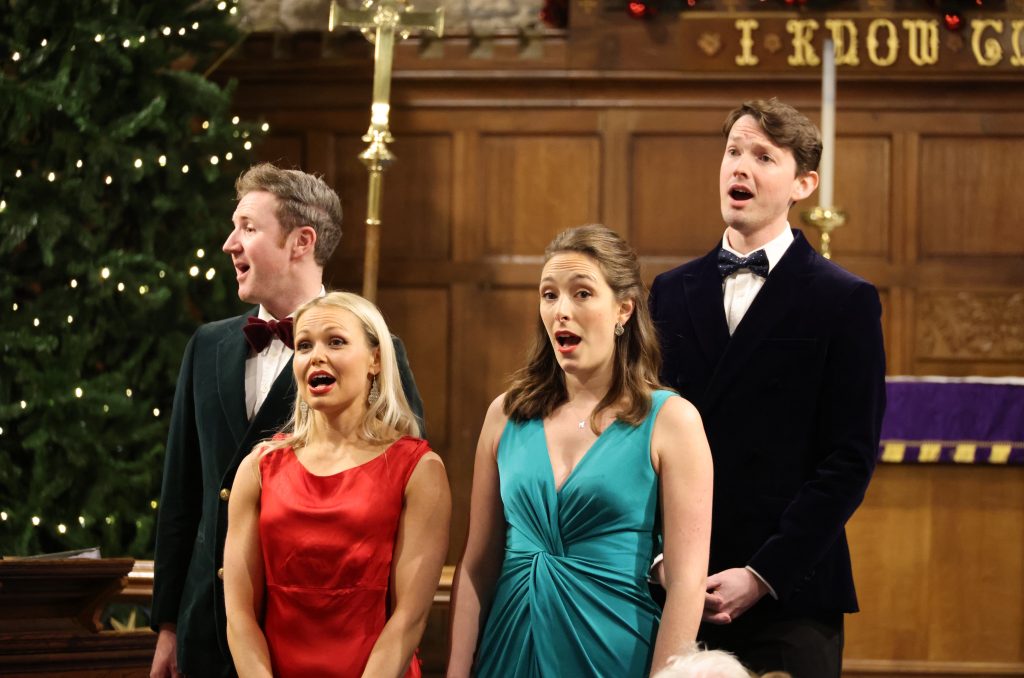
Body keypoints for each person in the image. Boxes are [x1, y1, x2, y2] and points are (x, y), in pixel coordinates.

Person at [150, 163, 425, 677]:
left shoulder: (376, 354)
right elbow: (182, 495)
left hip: (319, 639)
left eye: (248, 227)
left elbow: (397, 496)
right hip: (206, 629)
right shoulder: (207, 346)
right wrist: (168, 625)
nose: (230, 243)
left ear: (301, 241)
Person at [649, 98, 886, 677]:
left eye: (763, 156)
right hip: (677, 584)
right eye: (733, 151)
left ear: (804, 184)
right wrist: (661, 560)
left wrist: (762, 575)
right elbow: (639, 436)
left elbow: (849, 460)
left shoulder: (844, 299)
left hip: (791, 592)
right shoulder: (670, 291)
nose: (740, 166)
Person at [447, 225, 713, 677]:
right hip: (508, 650)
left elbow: (687, 583)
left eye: (582, 293)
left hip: (613, 654)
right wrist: (456, 671)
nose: (561, 311)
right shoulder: (505, 415)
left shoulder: (672, 421)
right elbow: (477, 564)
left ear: (623, 309)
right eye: (549, 295)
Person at [223, 291, 450, 677]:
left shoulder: (419, 469)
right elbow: (239, 617)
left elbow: (409, 618)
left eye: (336, 342)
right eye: (304, 345)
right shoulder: (258, 468)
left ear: (375, 360)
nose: (316, 356)